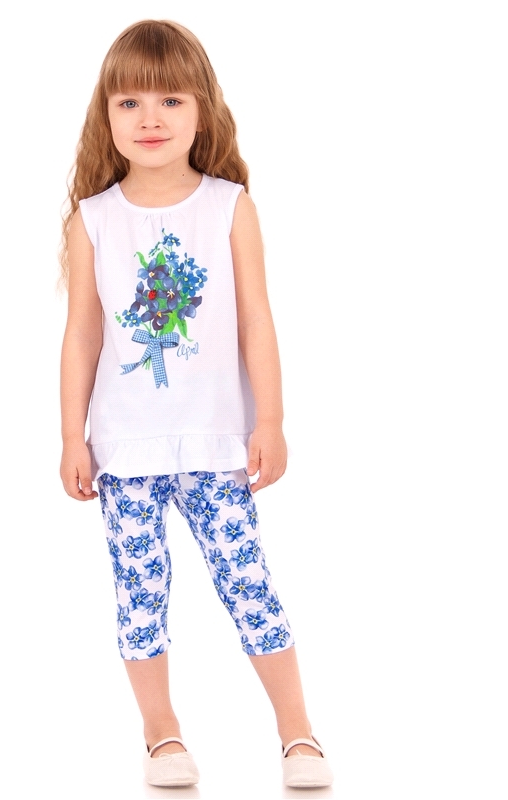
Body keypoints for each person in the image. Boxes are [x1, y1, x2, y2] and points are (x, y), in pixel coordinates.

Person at [58, 19, 334, 790]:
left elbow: (255, 321)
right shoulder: (93, 218)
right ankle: (161, 734)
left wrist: (270, 420)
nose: (149, 118)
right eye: (129, 102)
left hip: (215, 444)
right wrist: (72, 436)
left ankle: (298, 733)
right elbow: (82, 335)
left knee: (249, 585)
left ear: (202, 112)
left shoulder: (228, 207)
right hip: (125, 450)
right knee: (139, 595)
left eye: (170, 100)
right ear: (106, 115)